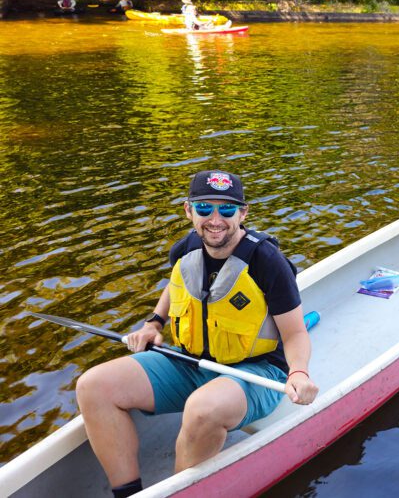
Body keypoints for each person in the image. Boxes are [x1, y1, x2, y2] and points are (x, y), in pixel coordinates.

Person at [75, 170, 318, 498]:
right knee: (93, 386)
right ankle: (128, 493)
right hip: (192, 362)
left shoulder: (267, 261)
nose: (215, 219)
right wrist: (153, 324)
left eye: (227, 210)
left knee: (203, 409)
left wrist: (299, 373)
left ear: (243, 214)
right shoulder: (185, 249)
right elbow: (176, 289)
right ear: (189, 211)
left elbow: (295, 333)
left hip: (257, 371)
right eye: (205, 209)